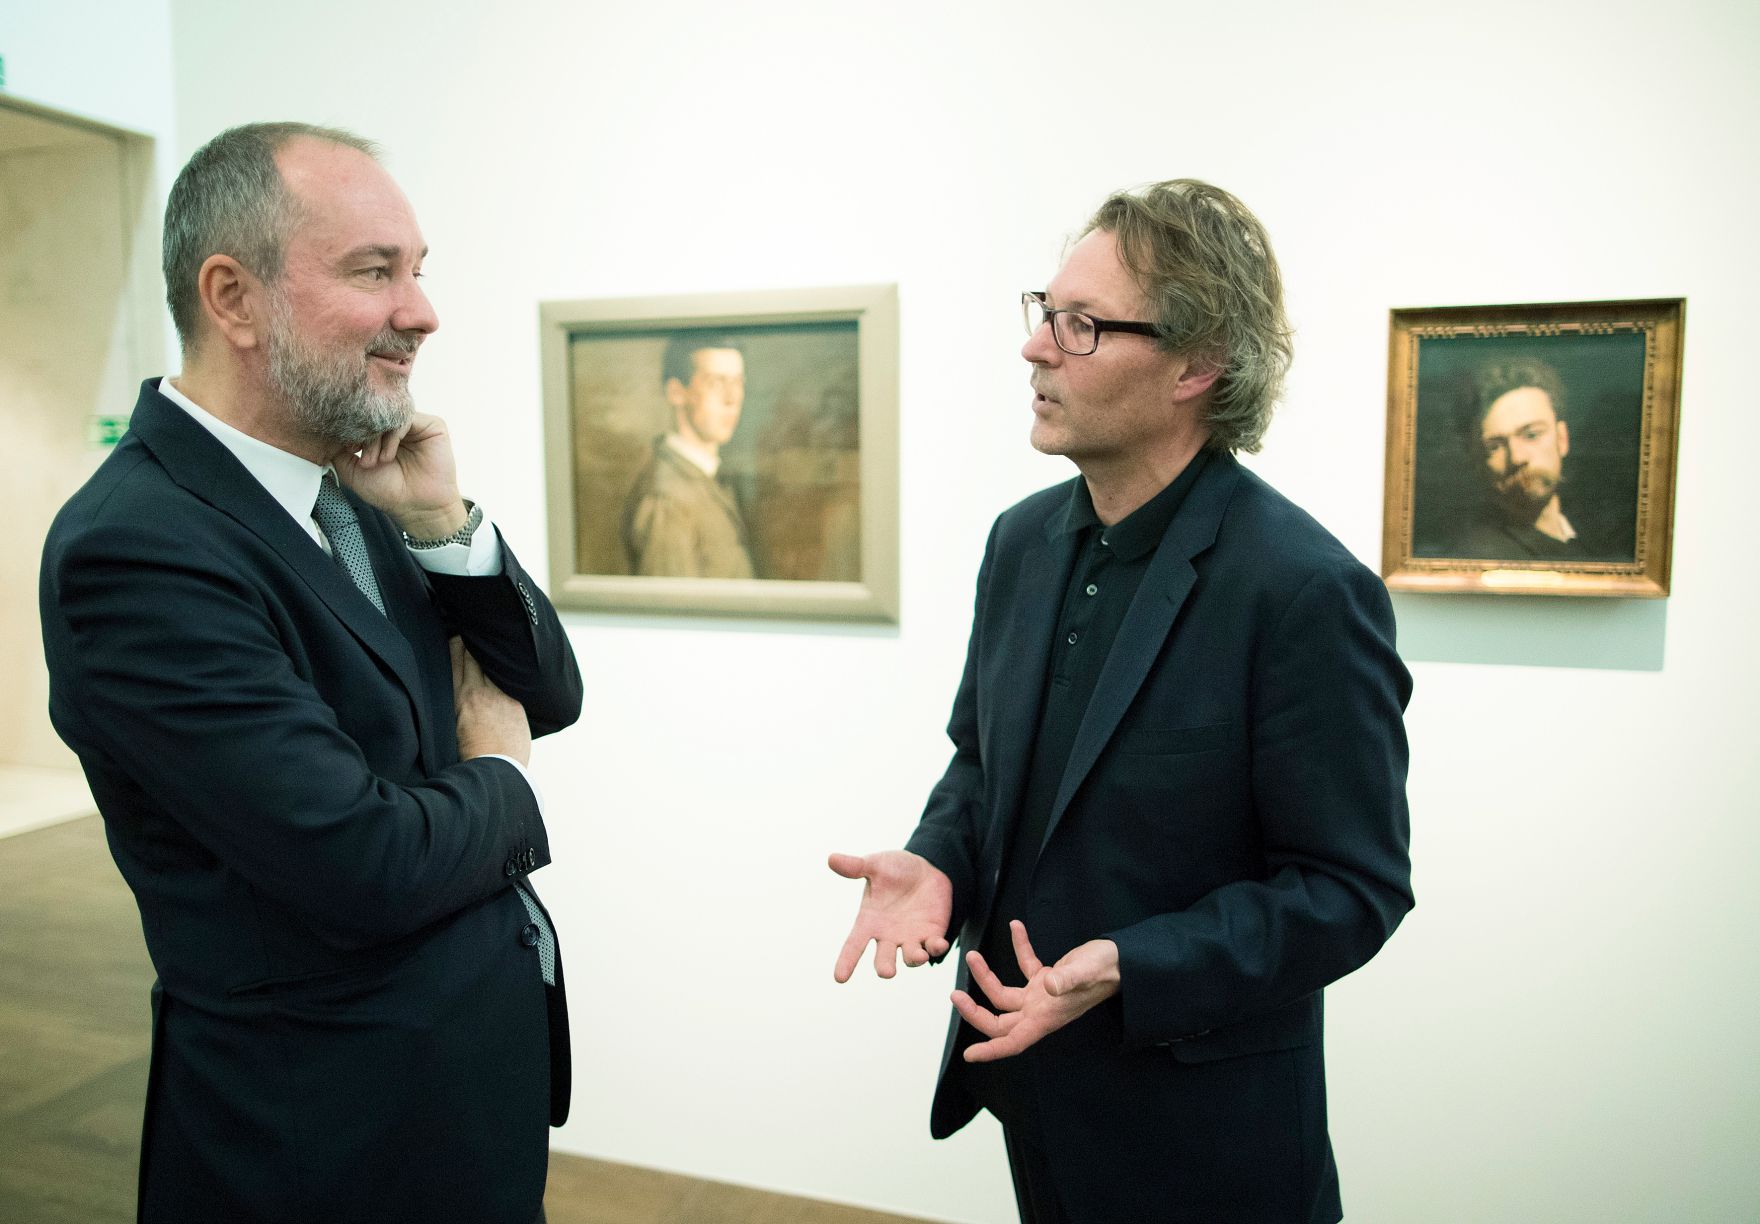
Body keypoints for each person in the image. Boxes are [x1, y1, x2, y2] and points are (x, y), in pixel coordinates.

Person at [830, 180, 1413, 1223]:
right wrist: (939, 864)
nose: (1036, 349)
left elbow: (1348, 889)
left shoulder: (1298, 590)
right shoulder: (1020, 542)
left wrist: (1130, 965)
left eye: (1082, 326)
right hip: (1035, 1094)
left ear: (1197, 364)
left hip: (1207, 1138)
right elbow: (983, 767)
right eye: (1044, 314)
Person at [38, 122, 582, 1224]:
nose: (420, 311)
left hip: (456, 1104)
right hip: (315, 1146)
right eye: (372, 272)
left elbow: (550, 692)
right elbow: (361, 861)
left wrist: (444, 524)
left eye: (417, 271)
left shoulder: (355, 487)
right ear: (233, 299)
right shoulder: (138, 547)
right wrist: (502, 778)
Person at [620, 333, 754, 577]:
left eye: (738, 382)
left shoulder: (712, 477)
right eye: (716, 382)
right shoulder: (666, 500)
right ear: (676, 392)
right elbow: (669, 611)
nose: (732, 398)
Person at [1447, 358, 1592, 560]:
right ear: (1478, 461)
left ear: (1562, 439)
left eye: (1531, 435)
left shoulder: (1597, 536)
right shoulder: (1477, 554)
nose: (1516, 457)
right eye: (1495, 446)